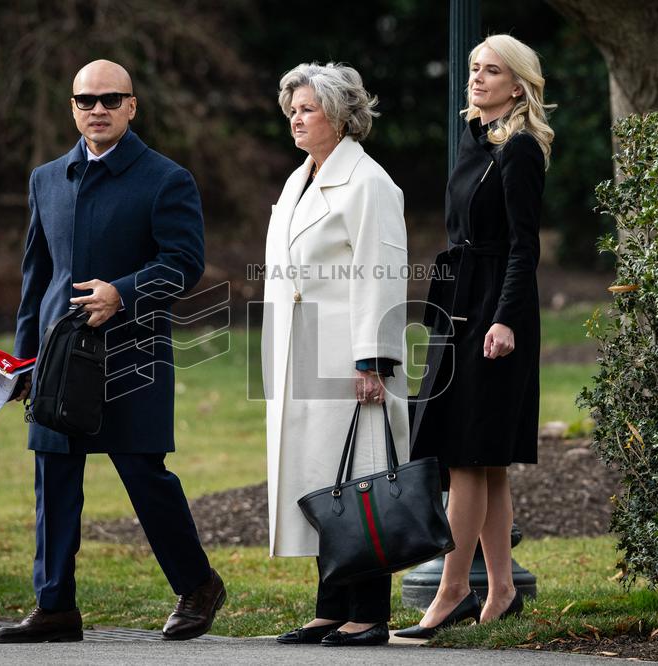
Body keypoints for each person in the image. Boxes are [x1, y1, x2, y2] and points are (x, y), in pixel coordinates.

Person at [0, 60, 225, 644]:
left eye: (111, 99)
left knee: (144, 474)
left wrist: (123, 293)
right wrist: (21, 361)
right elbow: (36, 277)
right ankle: (54, 607)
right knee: (53, 477)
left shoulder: (167, 179)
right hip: (57, 356)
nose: (98, 109)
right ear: (73, 107)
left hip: (133, 354)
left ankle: (199, 585)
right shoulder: (46, 178)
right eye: (86, 100)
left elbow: (184, 264)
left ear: (132, 106)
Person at [397, 34, 554, 639]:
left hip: (495, 310)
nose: (477, 78)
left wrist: (505, 318)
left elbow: (523, 246)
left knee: (467, 452)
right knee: (484, 458)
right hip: (458, 303)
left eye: (492, 71)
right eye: (474, 69)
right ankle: (503, 588)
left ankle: (454, 588)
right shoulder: (474, 139)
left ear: (518, 85)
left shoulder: (520, 149)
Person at [263, 62, 409, 648]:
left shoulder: (370, 182)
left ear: (342, 116)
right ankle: (330, 608)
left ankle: (369, 613)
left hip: (351, 356)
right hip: (301, 350)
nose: (296, 119)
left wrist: (373, 359)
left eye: (308, 109)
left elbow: (383, 272)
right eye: (292, 109)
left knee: (361, 478)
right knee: (323, 478)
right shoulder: (299, 179)